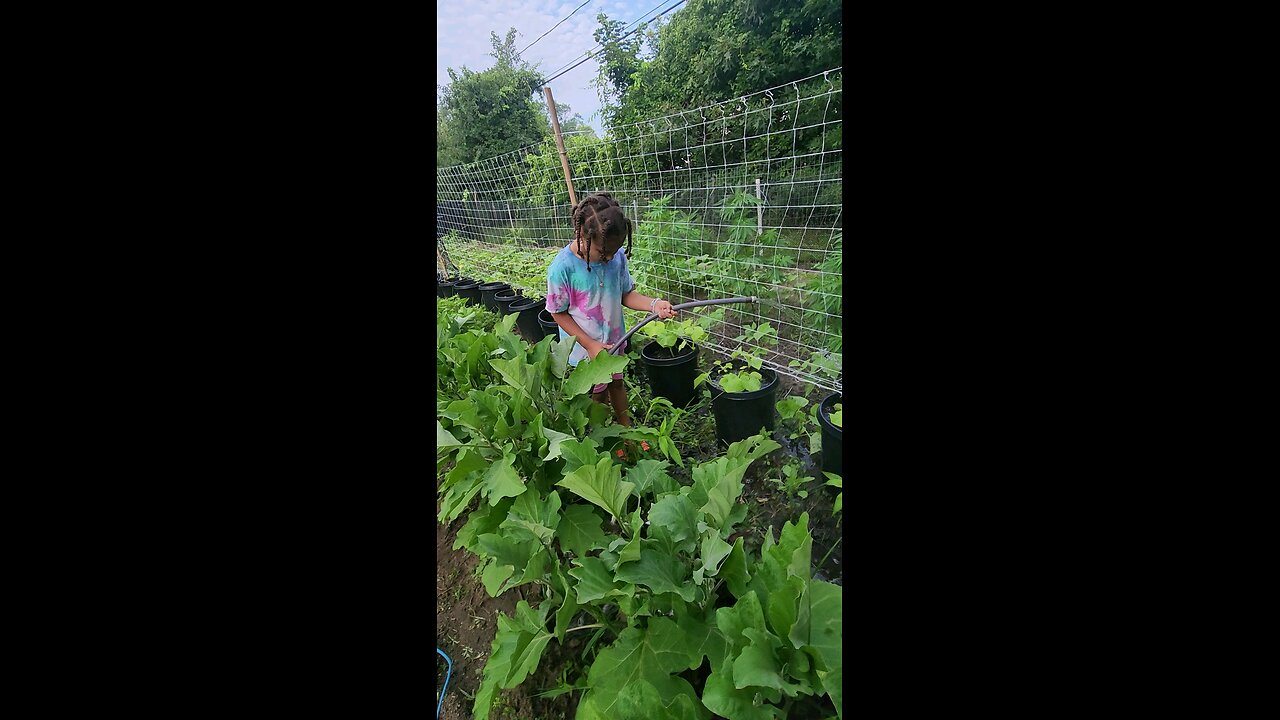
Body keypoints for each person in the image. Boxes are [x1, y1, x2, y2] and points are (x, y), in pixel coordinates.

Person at [546, 192, 677, 426]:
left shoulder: (615, 258)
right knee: (596, 393)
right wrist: (590, 344)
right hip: (586, 348)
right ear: (582, 236)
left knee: (617, 382)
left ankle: (625, 431)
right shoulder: (562, 268)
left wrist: (653, 305)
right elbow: (558, 312)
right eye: (602, 252)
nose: (608, 257)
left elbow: (626, 294)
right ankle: (602, 435)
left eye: (613, 252)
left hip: (614, 340)